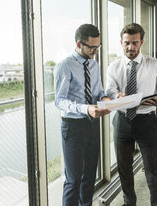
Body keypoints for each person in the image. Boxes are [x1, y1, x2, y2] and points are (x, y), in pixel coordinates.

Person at [106, 23, 157, 206]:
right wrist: (118, 95)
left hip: (147, 121)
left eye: (134, 43)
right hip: (122, 121)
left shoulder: (156, 65)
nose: (130, 47)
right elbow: (109, 89)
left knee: (154, 169)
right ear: (121, 42)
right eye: (127, 43)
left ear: (141, 42)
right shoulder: (114, 67)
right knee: (124, 169)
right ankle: (128, 202)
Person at [54, 23, 111, 206]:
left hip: (93, 124)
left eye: (98, 47)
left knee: (89, 176)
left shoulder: (94, 65)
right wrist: (85, 108)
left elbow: (98, 91)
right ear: (79, 44)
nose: (95, 51)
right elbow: (60, 100)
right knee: (73, 179)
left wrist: (104, 98)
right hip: (73, 126)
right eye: (92, 47)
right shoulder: (65, 65)